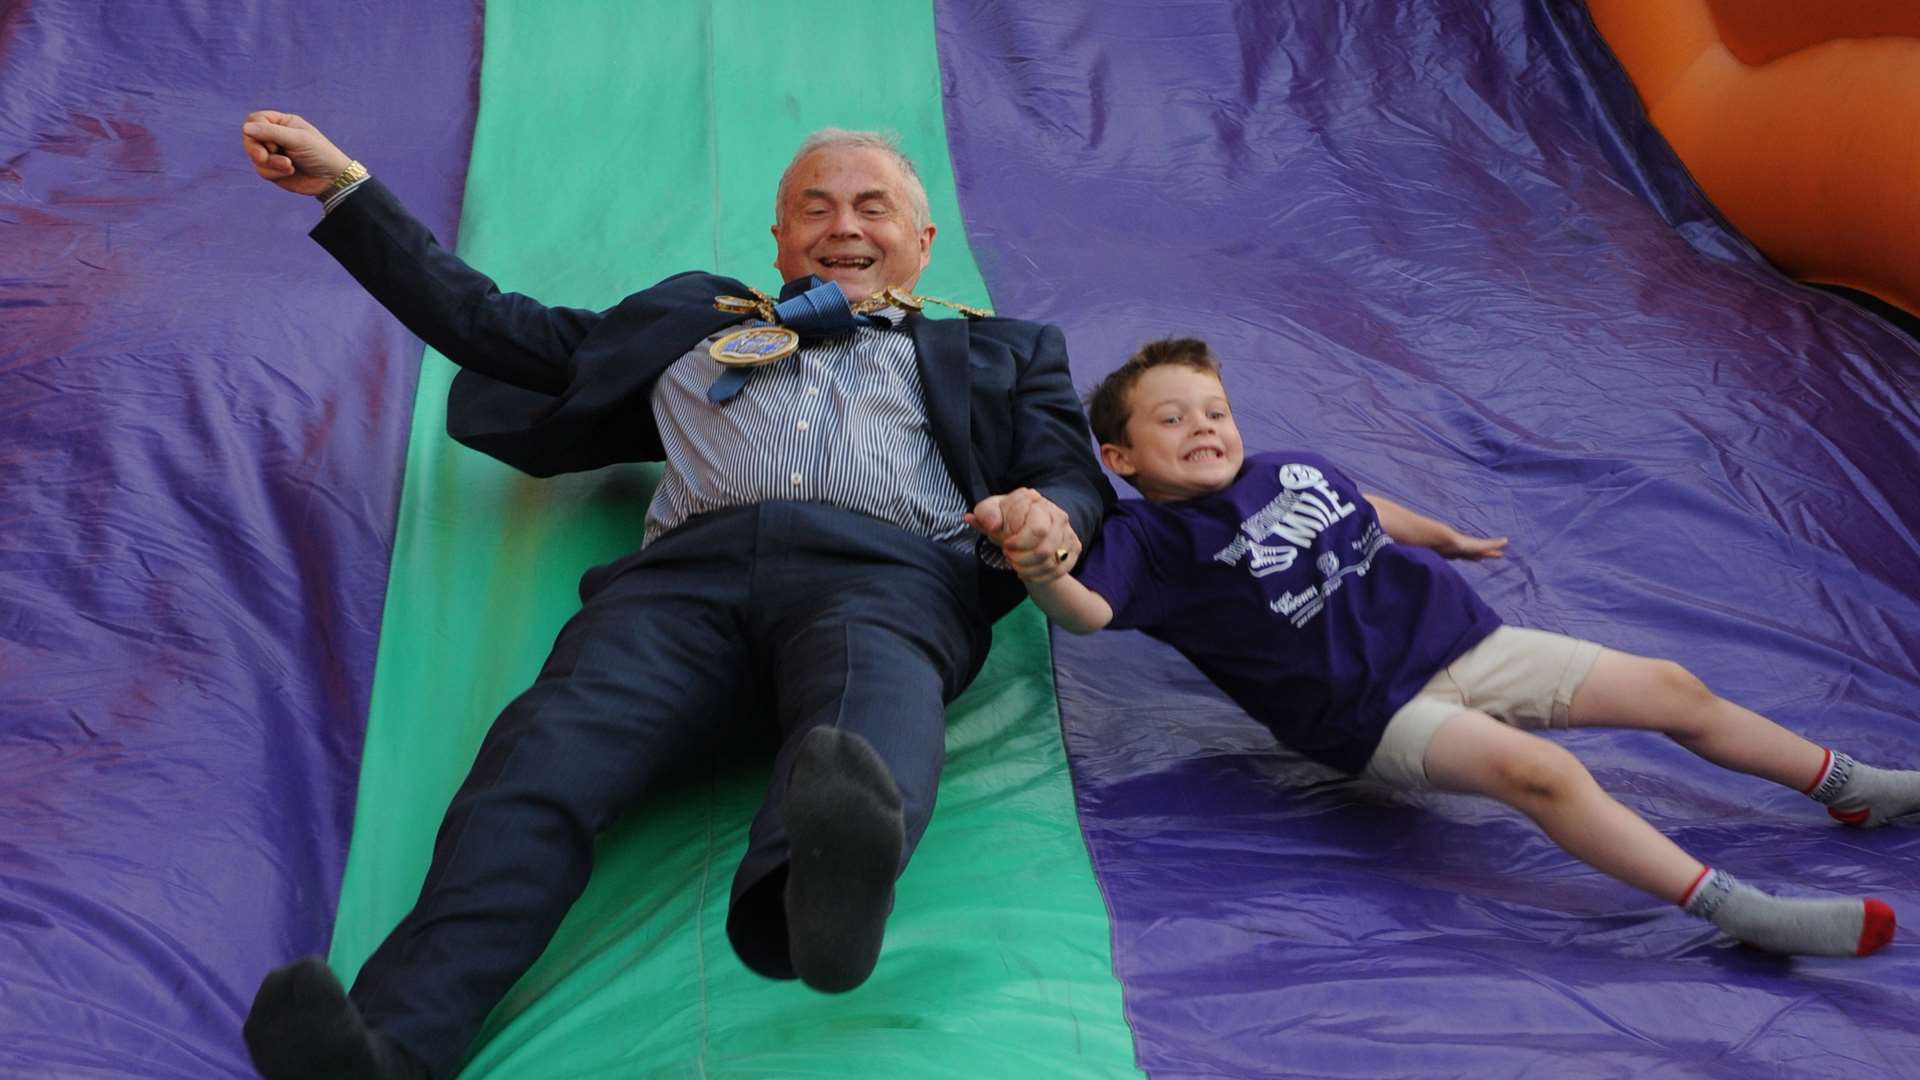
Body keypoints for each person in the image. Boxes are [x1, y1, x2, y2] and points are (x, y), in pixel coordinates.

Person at [236, 110, 1110, 1080]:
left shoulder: (1007, 351)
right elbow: (490, 323)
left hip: (886, 574)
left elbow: (1072, 475)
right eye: (813, 207)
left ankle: (809, 899)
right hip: (677, 594)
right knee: (539, 767)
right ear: (778, 238)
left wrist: (1051, 515)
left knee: (858, 727)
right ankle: (389, 1047)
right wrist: (346, 187)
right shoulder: (696, 323)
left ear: (922, 238)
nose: (844, 225)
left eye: (873, 206)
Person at [974, 336, 1920, 960]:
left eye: (1213, 409)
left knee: (1673, 685)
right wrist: (1043, 569)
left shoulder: (1286, 467)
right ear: (1123, 459)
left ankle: (1848, 787)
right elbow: (1087, 612)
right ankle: (1732, 908)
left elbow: (1364, 506)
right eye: (1170, 419)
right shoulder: (1149, 542)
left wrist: (1442, 536)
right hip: (1376, 714)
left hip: (1466, 642)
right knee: (1536, 771)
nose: (1203, 429)